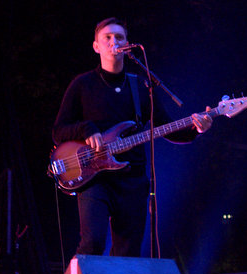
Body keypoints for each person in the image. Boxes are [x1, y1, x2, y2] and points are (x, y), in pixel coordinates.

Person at [52, 17, 212, 257]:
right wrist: (87, 130)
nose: (113, 42)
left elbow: (166, 126)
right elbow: (58, 130)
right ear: (96, 46)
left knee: (127, 253)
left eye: (119, 37)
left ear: (128, 45)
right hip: (94, 178)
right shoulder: (82, 85)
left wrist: (196, 128)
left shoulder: (140, 86)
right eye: (107, 37)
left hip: (132, 180)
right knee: (93, 243)